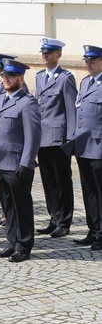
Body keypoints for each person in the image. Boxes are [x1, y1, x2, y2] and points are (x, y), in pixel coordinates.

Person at [0, 58, 41, 262]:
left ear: (21, 78)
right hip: (0, 163)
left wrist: (26, 163)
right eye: (4, 76)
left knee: (21, 206)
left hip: (17, 164)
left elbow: (33, 136)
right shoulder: (0, 100)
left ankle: (24, 245)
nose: (6, 80)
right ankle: (11, 242)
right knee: (7, 206)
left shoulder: (27, 103)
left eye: (10, 76)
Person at [34, 38, 77, 239]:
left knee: (62, 181)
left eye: (49, 52)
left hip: (59, 138)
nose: (45, 55)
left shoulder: (65, 78)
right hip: (42, 138)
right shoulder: (39, 76)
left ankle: (64, 221)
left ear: (58, 54)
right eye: (43, 52)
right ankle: (53, 217)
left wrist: (70, 140)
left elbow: (70, 109)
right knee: (48, 180)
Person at [68, 45, 102, 250]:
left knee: (100, 191)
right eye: (86, 61)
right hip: (83, 146)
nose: (89, 64)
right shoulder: (85, 82)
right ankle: (94, 229)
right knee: (89, 191)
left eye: (93, 60)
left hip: (99, 146)